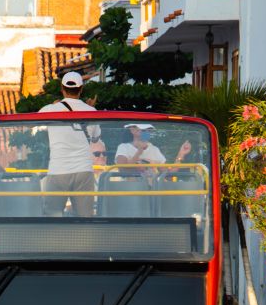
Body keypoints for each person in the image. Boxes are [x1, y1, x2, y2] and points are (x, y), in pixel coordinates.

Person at [38, 71, 100, 217]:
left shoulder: (50, 110)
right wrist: (90, 109)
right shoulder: (91, 111)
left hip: (58, 170)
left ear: (62, 88)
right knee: (85, 218)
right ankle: (85, 240)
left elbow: (31, 125)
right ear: (81, 89)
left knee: (53, 216)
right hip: (84, 170)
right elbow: (96, 138)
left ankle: (55, 240)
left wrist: (54, 105)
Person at [114, 124, 192, 175]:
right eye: (144, 130)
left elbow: (168, 174)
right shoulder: (123, 147)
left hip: (151, 191)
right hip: (129, 191)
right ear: (132, 130)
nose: (147, 133)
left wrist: (181, 154)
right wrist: (139, 152)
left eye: (149, 130)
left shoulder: (154, 149)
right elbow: (122, 169)